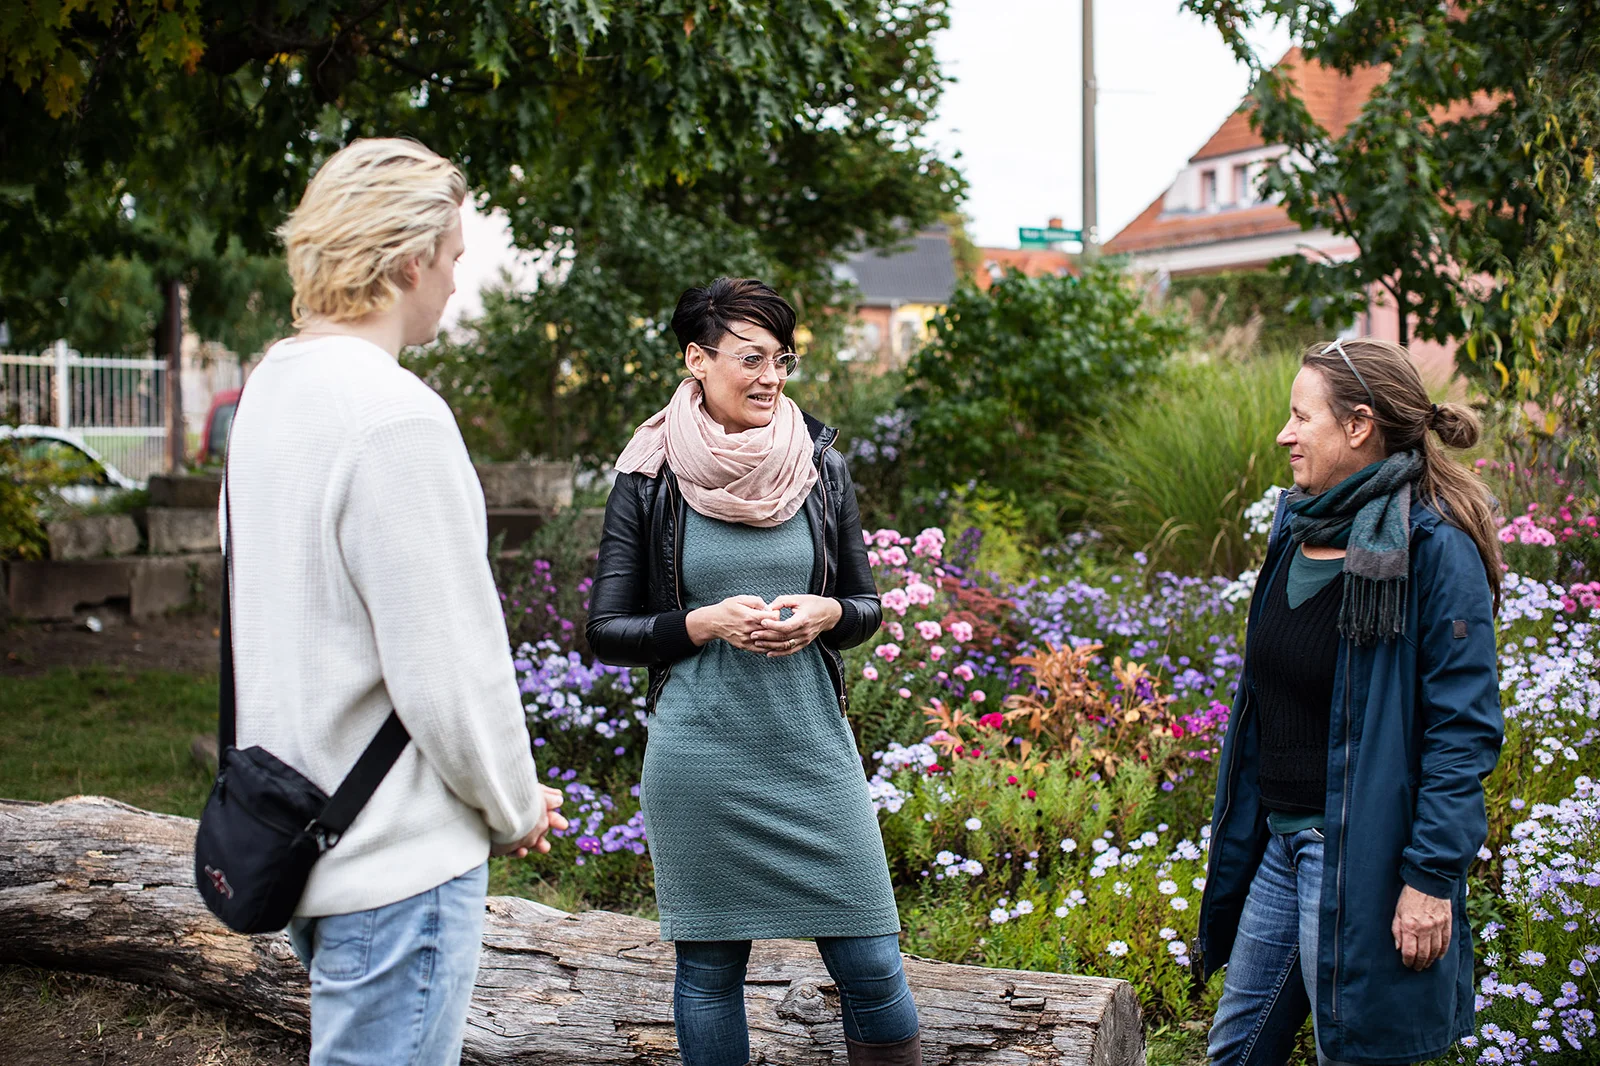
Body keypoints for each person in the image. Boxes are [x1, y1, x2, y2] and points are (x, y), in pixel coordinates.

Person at [224, 137, 567, 1066]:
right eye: (454, 258)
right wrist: (517, 804)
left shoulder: (270, 394)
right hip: (392, 860)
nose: (457, 283)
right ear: (410, 259)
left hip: (301, 828)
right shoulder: (396, 418)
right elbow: (448, 667)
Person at [587, 278, 921, 1066]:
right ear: (697, 360)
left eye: (782, 359)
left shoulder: (818, 467)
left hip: (812, 752)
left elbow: (865, 605)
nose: (772, 377)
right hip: (701, 757)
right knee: (709, 972)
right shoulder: (648, 477)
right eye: (751, 359)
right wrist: (697, 623)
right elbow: (606, 631)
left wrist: (828, 615)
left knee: (873, 967)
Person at [1198, 338, 1505, 1065]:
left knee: (1359, 1056)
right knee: (1235, 1055)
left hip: (1363, 857)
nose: (1285, 434)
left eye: (1302, 418)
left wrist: (1430, 878)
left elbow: (1462, 730)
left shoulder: (1433, 547)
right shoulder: (1298, 527)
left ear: (1359, 425)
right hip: (1284, 843)